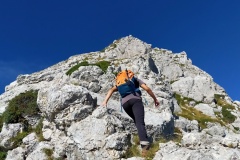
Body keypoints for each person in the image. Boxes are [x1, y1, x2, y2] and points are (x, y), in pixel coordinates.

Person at [101, 75, 160, 157]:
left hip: (125, 104)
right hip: (135, 100)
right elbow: (147, 89)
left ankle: (143, 139)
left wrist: (105, 101)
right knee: (140, 123)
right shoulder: (135, 79)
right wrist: (155, 99)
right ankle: (145, 148)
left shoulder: (120, 82)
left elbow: (111, 90)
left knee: (137, 121)